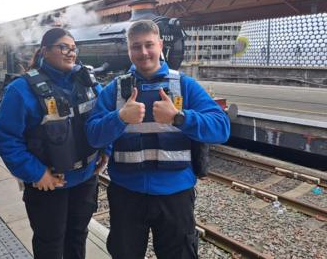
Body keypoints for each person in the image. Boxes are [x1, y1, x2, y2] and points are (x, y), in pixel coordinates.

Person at [85, 20, 230, 259]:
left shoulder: (184, 85)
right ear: (128, 49)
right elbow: (93, 135)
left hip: (175, 196)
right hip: (127, 194)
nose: (143, 52)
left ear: (160, 44)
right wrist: (120, 118)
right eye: (136, 46)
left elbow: (221, 128)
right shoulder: (114, 89)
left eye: (149, 45)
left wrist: (179, 117)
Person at [0, 28, 108, 259]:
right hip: (49, 184)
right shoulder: (21, 90)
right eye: (63, 47)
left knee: (77, 237)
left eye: (73, 48)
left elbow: (103, 118)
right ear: (45, 51)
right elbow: (6, 139)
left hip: (85, 180)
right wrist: (36, 173)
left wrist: (106, 149)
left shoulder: (89, 83)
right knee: (50, 243)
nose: (70, 53)